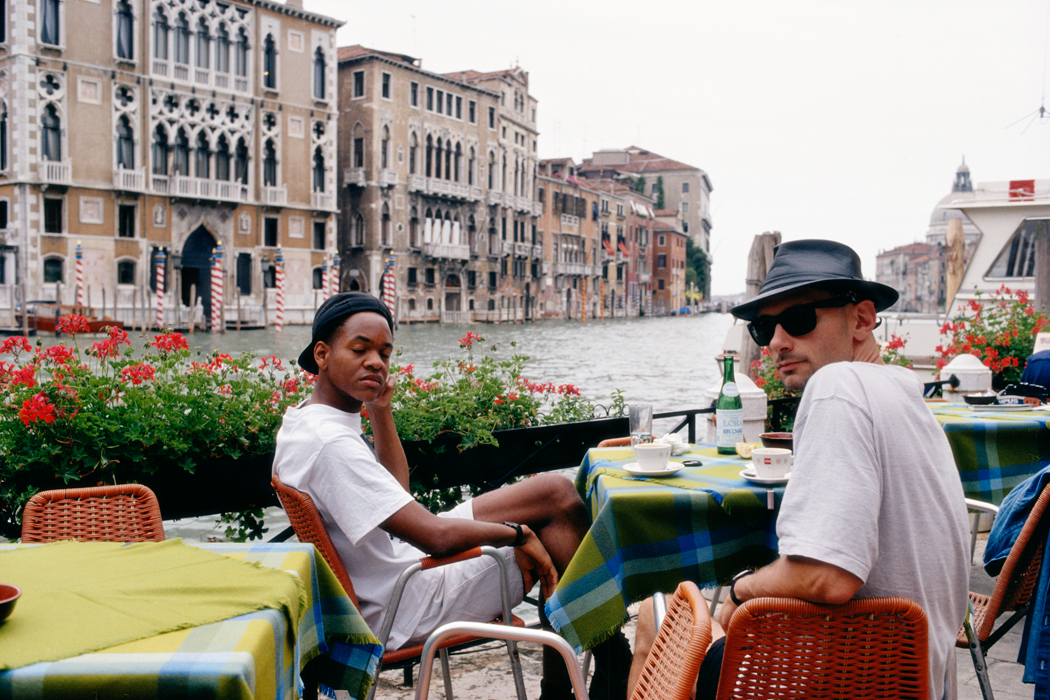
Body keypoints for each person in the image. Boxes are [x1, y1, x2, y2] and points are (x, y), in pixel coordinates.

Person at [628, 240, 971, 700]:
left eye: (799, 319)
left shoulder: (837, 386)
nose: (775, 342)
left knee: (655, 614)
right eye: (764, 326)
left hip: (831, 680)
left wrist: (738, 590)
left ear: (862, 318)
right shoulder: (905, 393)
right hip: (909, 676)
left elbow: (826, 574)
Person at [272, 292, 631, 700]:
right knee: (552, 524)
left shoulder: (306, 420)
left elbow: (397, 492)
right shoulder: (331, 443)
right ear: (321, 354)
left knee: (555, 492)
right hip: (402, 603)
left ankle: (599, 663)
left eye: (385, 353)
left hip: (393, 572)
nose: (376, 362)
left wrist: (381, 411)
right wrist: (517, 535)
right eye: (360, 349)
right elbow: (435, 538)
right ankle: (594, 667)